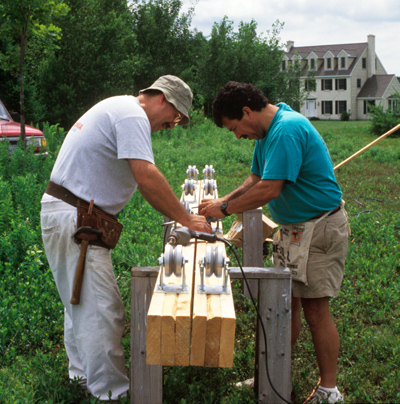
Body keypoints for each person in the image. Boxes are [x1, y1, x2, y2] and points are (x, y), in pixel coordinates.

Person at [40, 75, 211, 402]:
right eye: (174, 118)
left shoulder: (119, 108)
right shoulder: (132, 114)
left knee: (78, 300)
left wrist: (177, 212)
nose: (171, 127)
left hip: (66, 213)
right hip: (77, 219)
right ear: (162, 99)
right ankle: (110, 394)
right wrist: (186, 218)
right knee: (103, 310)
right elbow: (145, 175)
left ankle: (81, 378)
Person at [199, 81, 348, 404]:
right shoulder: (268, 133)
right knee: (285, 303)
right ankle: (274, 370)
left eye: (235, 128)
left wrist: (223, 209)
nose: (237, 136)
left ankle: (329, 389)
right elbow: (255, 178)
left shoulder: (286, 129)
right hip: (293, 228)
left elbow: (269, 190)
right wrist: (222, 200)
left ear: (247, 111)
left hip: (320, 227)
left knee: (315, 309)